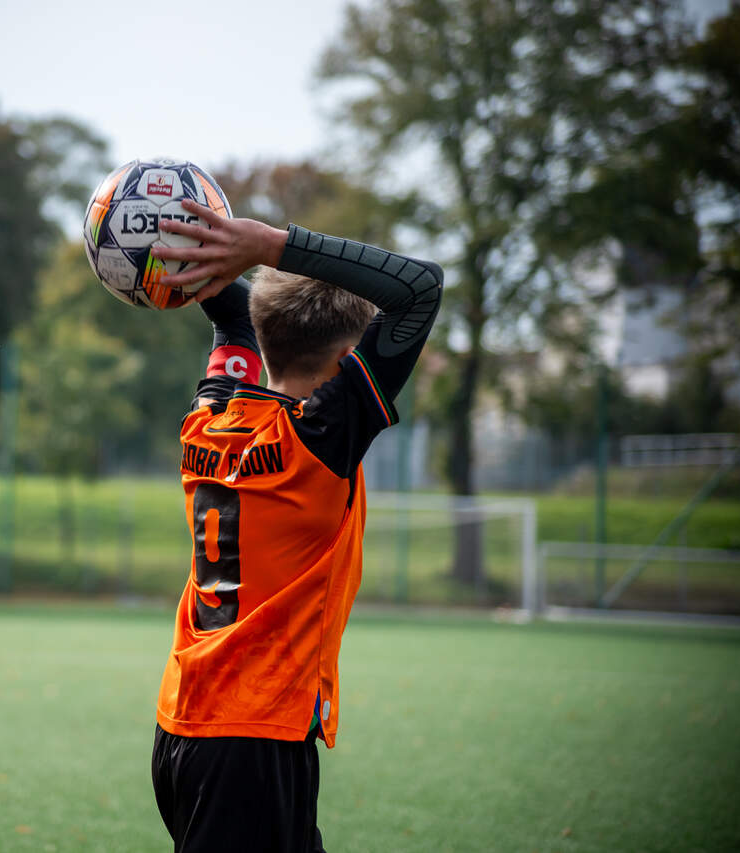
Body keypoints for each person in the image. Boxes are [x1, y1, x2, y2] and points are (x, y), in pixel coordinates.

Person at [146, 197, 443, 853]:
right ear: (348, 363)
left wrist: (202, 258)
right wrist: (259, 245)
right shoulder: (319, 442)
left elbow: (235, 322)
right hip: (250, 742)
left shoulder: (207, 423)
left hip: (185, 725)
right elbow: (420, 286)